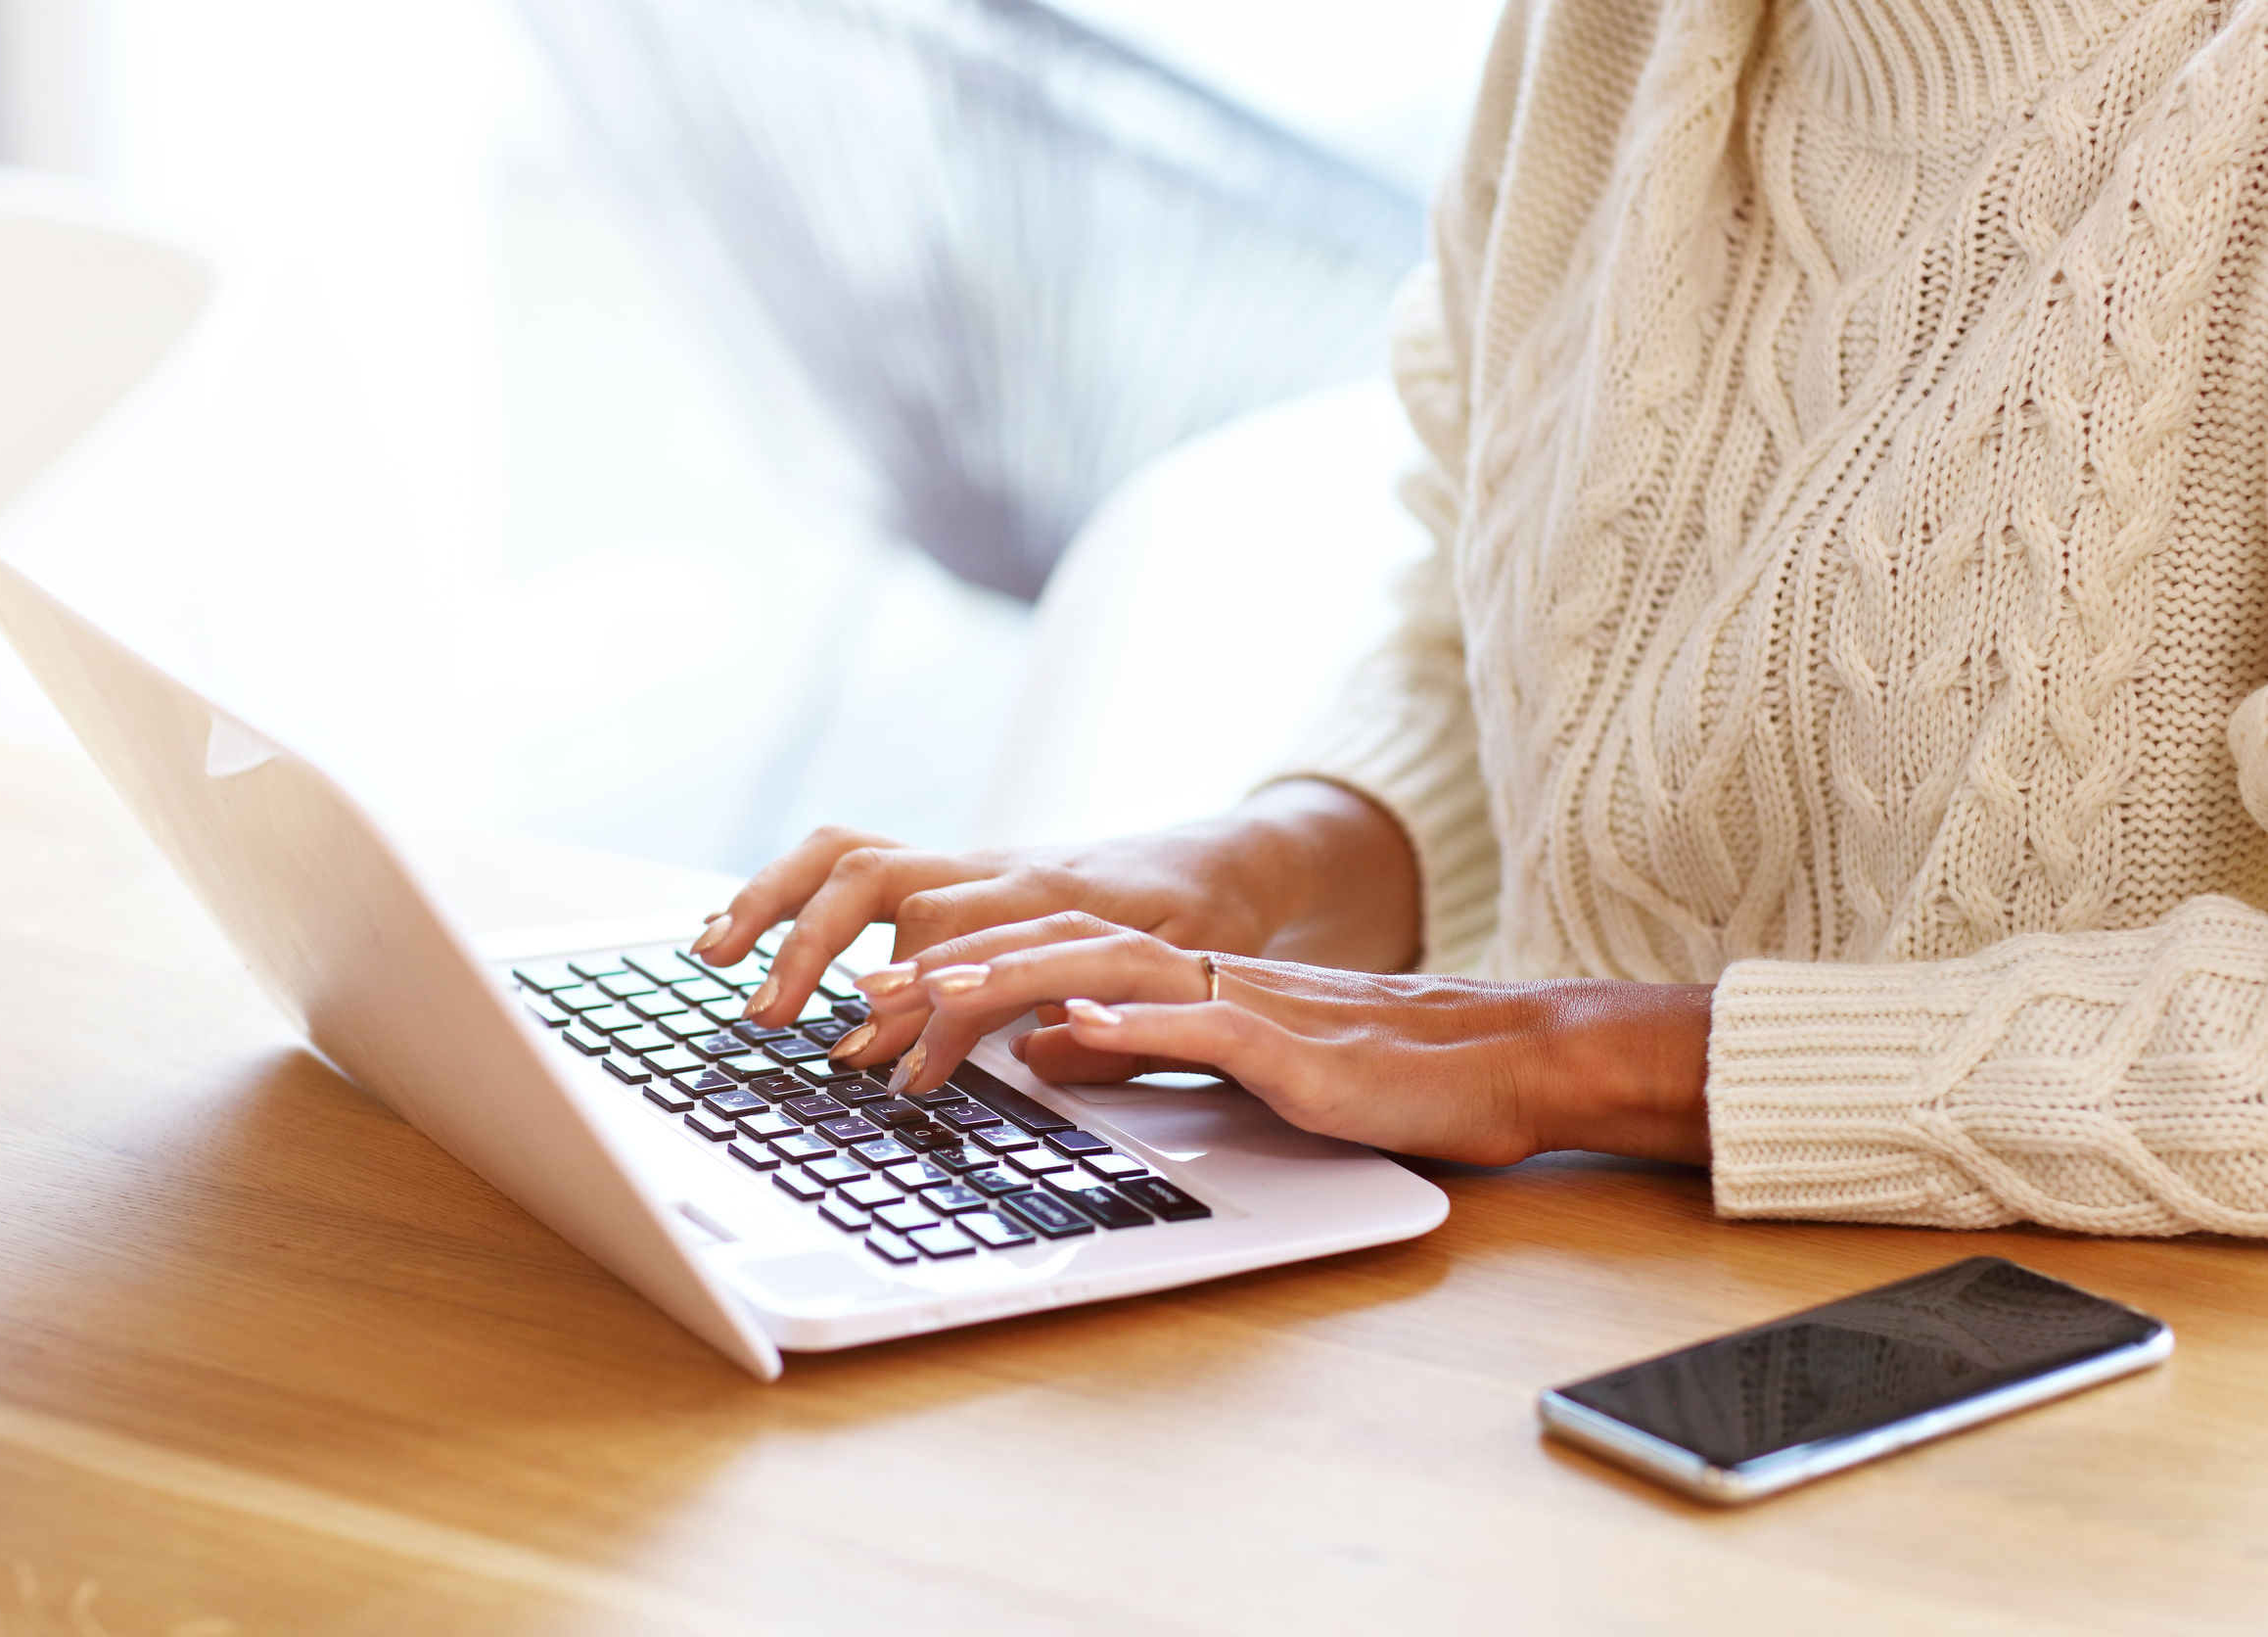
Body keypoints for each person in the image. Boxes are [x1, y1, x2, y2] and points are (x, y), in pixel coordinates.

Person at [698, 0, 2268, 1239]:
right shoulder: (1600, 38)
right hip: (1548, 1277)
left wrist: (1552, 1055)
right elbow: (1505, 606)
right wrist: (1265, 874)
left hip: (2093, 1414)